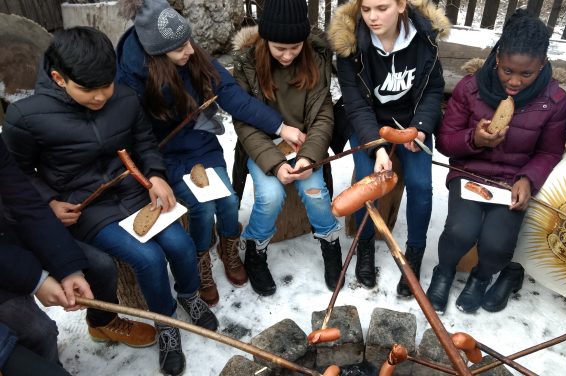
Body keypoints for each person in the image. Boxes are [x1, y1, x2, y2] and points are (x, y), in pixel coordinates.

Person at [2, 27, 217, 376]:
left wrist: (157, 175)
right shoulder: (26, 117)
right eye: (90, 90)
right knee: (147, 259)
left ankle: (189, 297)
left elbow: (145, 143)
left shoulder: (126, 97)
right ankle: (166, 324)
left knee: (179, 242)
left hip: (132, 190)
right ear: (59, 78)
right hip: (86, 206)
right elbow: (17, 175)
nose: (102, 96)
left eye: (108, 85)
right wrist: (50, 202)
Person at [116, 0, 307, 307]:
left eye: (188, 42)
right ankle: (201, 258)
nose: (190, 51)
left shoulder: (189, 53)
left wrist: (280, 126)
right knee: (202, 209)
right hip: (164, 153)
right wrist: (151, 173)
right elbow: (134, 136)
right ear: (156, 56)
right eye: (179, 49)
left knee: (229, 200)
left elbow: (230, 93)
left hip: (199, 142)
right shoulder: (130, 80)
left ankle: (228, 249)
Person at [426, 9, 566, 314]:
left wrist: (528, 179)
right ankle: (444, 271)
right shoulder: (471, 88)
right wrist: (474, 140)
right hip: (470, 173)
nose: (514, 81)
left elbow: (549, 152)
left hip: (511, 181)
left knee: (497, 243)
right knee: (459, 231)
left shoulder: (553, 100)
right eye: (507, 71)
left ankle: (480, 277)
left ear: (542, 64)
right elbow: (446, 142)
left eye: (526, 74)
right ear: (497, 58)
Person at [0, 138, 154, 375]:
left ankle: (102, 322)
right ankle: (48, 364)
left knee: (100, 267)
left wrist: (67, 267)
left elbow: (24, 201)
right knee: (39, 331)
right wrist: (35, 280)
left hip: (13, 229)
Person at [328, 0, 450, 295]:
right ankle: (365, 243)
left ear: (401, 5)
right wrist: (377, 148)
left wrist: (419, 129)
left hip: (411, 125)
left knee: (421, 185)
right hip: (368, 123)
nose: (372, 17)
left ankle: (415, 253)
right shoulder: (350, 46)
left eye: (381, 8)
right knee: (368, 178)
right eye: (366, 9)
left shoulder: (424, 38)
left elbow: (433, 90)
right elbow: (355, 104)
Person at [231, 0, 342, 296]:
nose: (288, 54)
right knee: (269, 195)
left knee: (315, 192)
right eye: (280, 48)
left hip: (304, 145)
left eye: (295, 47)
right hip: (263, 146)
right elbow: (244, 123)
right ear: (265, 39)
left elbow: (322, 115)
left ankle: (330, 243)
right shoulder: (247, 65)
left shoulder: (316, 60)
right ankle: (256, 250)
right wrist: (275, 163)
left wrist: (308, 158)